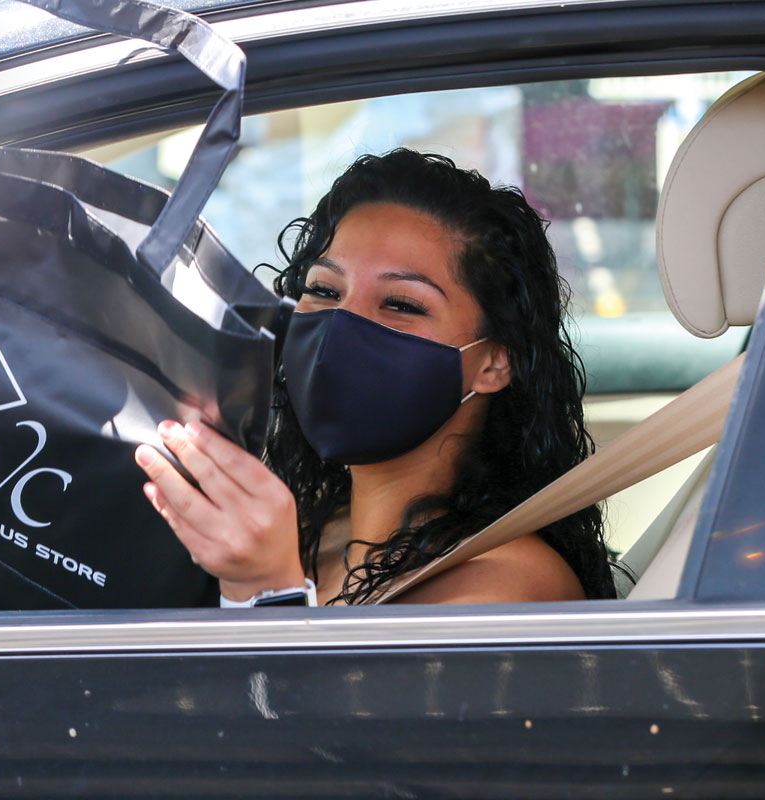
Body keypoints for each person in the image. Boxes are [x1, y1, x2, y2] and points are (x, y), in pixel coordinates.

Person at [133, 149, 616, 606]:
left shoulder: (511, 583)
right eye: (324, 290)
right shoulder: (301, 531)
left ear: (494, 363)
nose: (341, 325)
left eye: (402, 304)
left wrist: (267, 587)